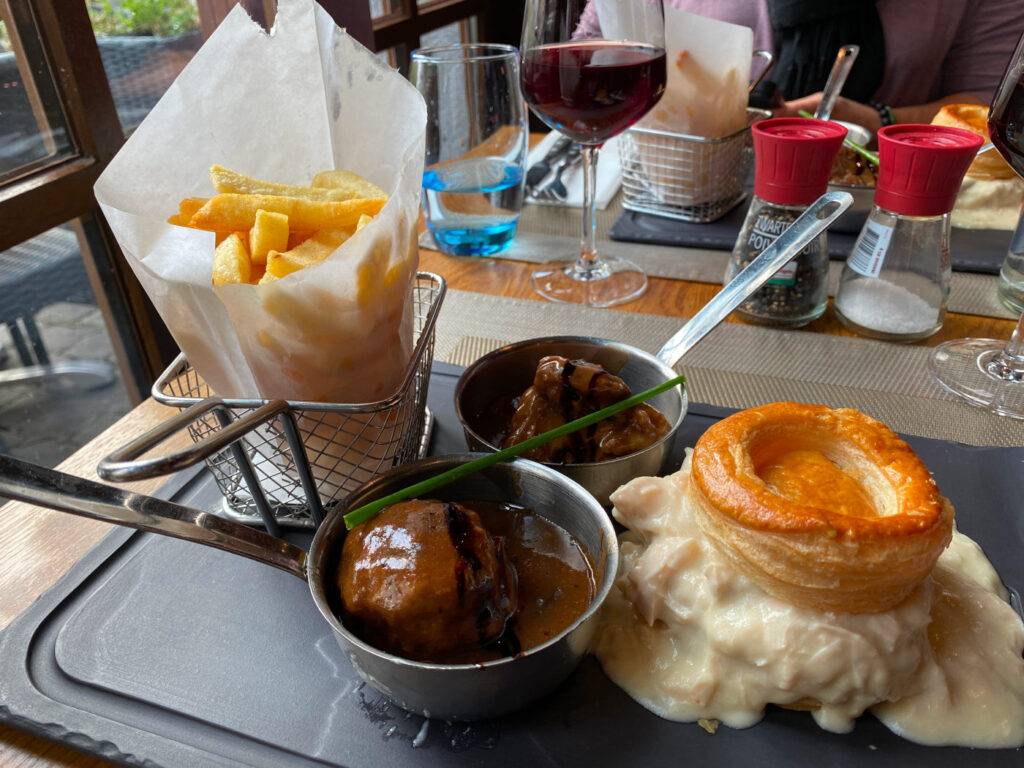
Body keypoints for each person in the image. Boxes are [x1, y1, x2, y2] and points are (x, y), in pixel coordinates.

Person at [578, 0, 1024, 130]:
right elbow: (588, 57)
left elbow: (991, 108)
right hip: (677, 189)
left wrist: (878, 121)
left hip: (886, 209)